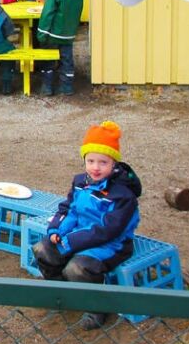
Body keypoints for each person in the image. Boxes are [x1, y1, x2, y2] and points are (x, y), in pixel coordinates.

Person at [32, 121, 142, 330]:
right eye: (90, 161)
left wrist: (71, 241)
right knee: (43, 249)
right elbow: (68, 209)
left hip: (112, 245)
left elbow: (108, 230)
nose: (95, 167)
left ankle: (97, 306)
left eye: (103, 162)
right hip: (78, 235)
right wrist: (57, 230)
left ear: (114, 163)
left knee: (78, 267)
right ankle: (62, 291)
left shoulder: (122, 195)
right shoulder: (81, 182)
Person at [36, 0, 84, 96]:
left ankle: (47, 86)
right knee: (67, 59)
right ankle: (67, 86)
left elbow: (48, 13)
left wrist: (41, 33)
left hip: (52, 33)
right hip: (68, 33)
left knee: (48, 59)